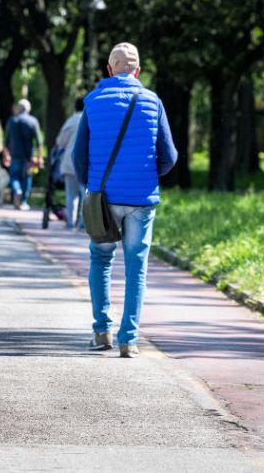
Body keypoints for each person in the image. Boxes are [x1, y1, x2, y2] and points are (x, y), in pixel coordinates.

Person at [72, 42, 178, 358]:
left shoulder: (92, 102)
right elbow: (169, 155)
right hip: (141, 199)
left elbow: (79, 156)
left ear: (109, 69)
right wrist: (147, 175)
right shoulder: (153, 100)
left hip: (103, 198)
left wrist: (92, 184)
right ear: (137, 70)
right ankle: (128, 339)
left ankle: (101, 330)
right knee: (136, 266)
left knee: (101, 259)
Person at [6, 99, 42, 210]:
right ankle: (24, 202)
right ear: (28, 109)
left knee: (13, 176)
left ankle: (17, 190)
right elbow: (39, 143)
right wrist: (39, 158)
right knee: (27, 178)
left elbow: (6, 141)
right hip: (29, 156)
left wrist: (6, 155)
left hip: (14, 154)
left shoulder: (12, 121)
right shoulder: (33, 121)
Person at [54, 97, 85, 229]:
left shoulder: (71, 121)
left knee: (71, 194)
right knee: (85, 194)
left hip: (69, 162)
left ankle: (70, 222)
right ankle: (84, 223)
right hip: (85, 163)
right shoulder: (91, 120)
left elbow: (60, 141)